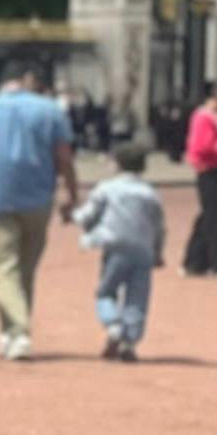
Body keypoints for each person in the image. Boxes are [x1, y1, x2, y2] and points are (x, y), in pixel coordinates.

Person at [0, 62, 76, 359]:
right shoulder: (50, 110)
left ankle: (16, 331)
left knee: (4, 267)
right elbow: (64, 158)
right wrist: (71, 194)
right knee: (25, 269)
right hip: (38, 196)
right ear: (27, 80)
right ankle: (12, 331)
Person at [72, 144, 168, 362]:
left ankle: (113, 324)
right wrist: (158, 251)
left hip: (114, 246)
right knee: (138, 296)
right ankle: (130, 340)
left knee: (106, 292)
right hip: (143, 249)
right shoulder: (150, 193)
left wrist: (74, 216)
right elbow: (159, 227)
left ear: (117, 164)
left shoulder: (107, 188)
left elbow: (88, 215)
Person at [179, 79, 217, 280]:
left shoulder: (214, 117)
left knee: (208, 217)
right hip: (211, 171)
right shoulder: (204, 118)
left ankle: (195, 262)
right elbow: (203, 147)